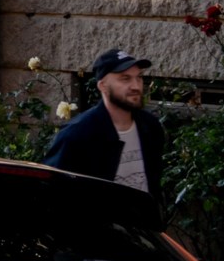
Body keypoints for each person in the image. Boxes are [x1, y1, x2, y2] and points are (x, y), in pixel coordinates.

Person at [43, 49, 170, 194]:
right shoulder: (77, 135)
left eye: (139, 77)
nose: (136, 86)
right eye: (125, 78)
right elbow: (51, 192)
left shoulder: (150, 127)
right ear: (102, 86)